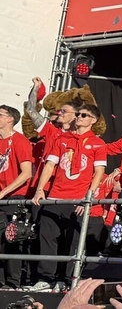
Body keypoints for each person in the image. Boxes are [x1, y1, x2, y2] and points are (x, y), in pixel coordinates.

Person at [30, 103, 106, 291]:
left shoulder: (98, 143)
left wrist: (88, 197)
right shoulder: (62, 139)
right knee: (47, 237)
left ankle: (65, 280)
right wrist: (40, 189)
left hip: (78, 199)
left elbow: (99, 172)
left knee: (71, 242)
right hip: (55, 195)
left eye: (84, 115)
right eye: (78, 114)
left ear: (93, 120)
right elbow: (50, 165)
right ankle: (45, 279)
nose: (79, 117)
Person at [0, 105, 34, 290]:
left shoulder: (20, 141)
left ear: (10, 119)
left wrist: (4, 193)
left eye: (0, 115)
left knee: (11, 239)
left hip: (14, 197)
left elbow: (27, 173)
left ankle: (13, 283)